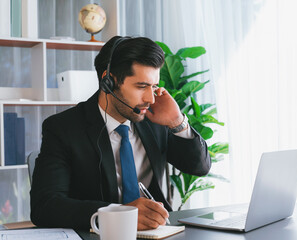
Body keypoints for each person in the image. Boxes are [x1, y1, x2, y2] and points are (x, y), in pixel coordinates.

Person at [30, 36, 211, 230]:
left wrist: (178, 123)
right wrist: (118, 214)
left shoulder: (155, 118)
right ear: (109, 81)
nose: (150, 98)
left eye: (154, 86)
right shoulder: (63, 128)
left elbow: (199, 167)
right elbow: (45, 207)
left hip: (157, 232)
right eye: (141, 86)